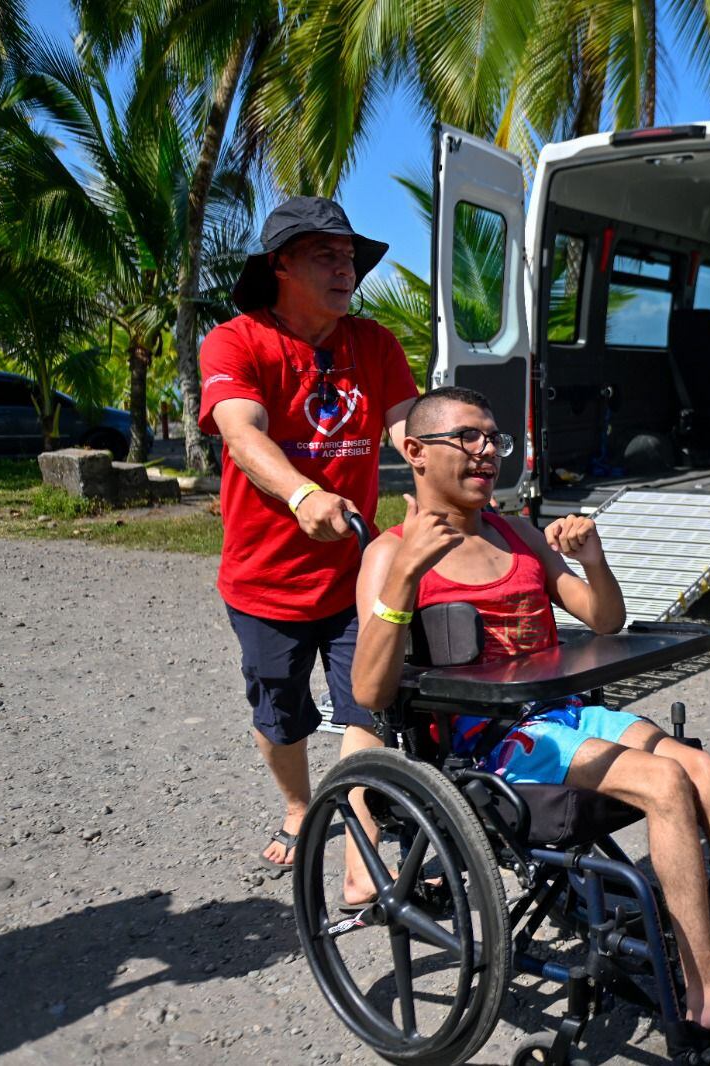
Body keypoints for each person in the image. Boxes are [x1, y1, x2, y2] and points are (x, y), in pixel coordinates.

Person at [350, 385, 710, 1047]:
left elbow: (603, 619)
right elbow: (370, 690)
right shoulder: (388, 554)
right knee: (663, 784)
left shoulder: (515, 534)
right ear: (416, 452)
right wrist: (400, 587)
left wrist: (590, 560)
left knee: (705, 770)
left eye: (494, 438)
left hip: (562, 714)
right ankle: (703, 988)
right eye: (469, 438)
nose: (487, 453)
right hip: (493, 746)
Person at [198, 196, 418, 873]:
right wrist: (302, 493)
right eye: (325, 254)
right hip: (266, 581)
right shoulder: (237, 340)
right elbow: (240, 432)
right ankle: (299, 808)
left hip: (357, 570)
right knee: (280, 716)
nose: (343, 267)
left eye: (349, 256)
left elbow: (410, 427)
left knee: (369, 701)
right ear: (281, 266)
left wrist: (441, 484)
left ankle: (358, 829)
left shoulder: (373, 343)